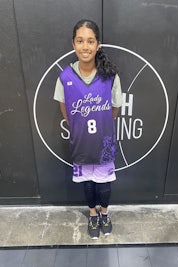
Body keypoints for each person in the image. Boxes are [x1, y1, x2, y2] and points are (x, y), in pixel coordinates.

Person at [54, 19, 122, 239]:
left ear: (98, 44)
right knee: (88, 183)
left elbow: (114, 108)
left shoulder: (110, 75)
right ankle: (92, 215)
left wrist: (101, 123)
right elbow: (64, 108)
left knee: (104, 185)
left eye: (90, 41)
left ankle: (104, 213)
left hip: (104, 142)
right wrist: (79, 124)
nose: (85, 46)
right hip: (81, 142)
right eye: (80, 41)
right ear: (73, 44)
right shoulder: (65, 76)